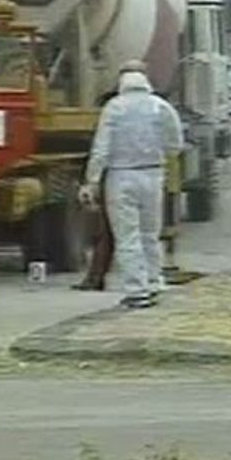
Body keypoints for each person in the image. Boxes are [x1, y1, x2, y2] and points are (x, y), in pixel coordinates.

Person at [78, 61, 184, 309]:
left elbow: (101, 149)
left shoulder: (114, 108)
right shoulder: (161, 107)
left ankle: (137, 290)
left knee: (128, 236)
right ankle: (154, 282)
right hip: (153, 174)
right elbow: (175, 144)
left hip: (121, 176)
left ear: (122, 81)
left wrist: (92, 181)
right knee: (150, 233)